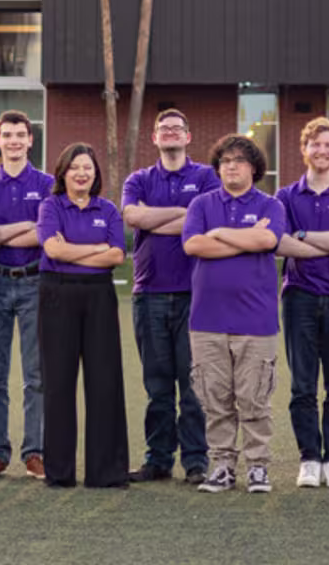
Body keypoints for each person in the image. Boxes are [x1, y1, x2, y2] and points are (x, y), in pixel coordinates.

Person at [181, 134, 288, 493]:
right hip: (207, 320)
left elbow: (267, 241)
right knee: (216, 399)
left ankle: (258, 466)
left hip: (256, 321)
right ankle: (223, 465)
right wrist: (245, 236)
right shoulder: (201, 204)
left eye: (239, 160)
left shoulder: (271, 205)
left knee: (254, 398)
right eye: (225, 161)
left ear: (254, 168)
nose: (231, 166)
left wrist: (222, 233)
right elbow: (193, 244)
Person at [121, 109, 215, 485]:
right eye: (164, 128)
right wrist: (184, 213)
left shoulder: (206, 176)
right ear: (154, 138)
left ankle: (196, 461)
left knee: (193, 385)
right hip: (150, 293)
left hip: (195, 294)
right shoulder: (139, 179)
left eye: (177, 127)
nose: (171, 132)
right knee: (157, 385)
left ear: (188, 137)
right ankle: (158, 460)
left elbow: (205, 221)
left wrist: (156, 217)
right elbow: (132, 217)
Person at [275, 116, 329, 489]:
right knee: (302, 386)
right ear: (304, 149)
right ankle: (310, 458)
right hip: (299, 297)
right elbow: (278, 242)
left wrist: (304, 235)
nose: (322, 150)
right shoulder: (284, 196)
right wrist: (318, 242)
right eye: (316, 144)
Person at [35, 142, 131, 489]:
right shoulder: (50, 206)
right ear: (63, 172)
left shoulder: (107, 209)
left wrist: (74, 252)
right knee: (58, 383)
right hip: (56, 293)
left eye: (87, 167)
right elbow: (52, 249)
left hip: (99, 297)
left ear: (96, 173)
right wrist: (95, 248)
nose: (81, 173)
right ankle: (59, 472)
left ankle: (106, 472)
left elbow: (117, 256)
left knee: (105, 382)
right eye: (75, 167)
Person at [0, 110, 51, 480]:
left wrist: (3, 232)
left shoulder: (49, 184)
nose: (15, 140)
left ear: (30, 140)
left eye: (21, 134)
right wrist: (24, 228)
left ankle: (35, 451)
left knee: (37, 374)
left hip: (36, 281)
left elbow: (46, 234)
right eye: (7, 135)